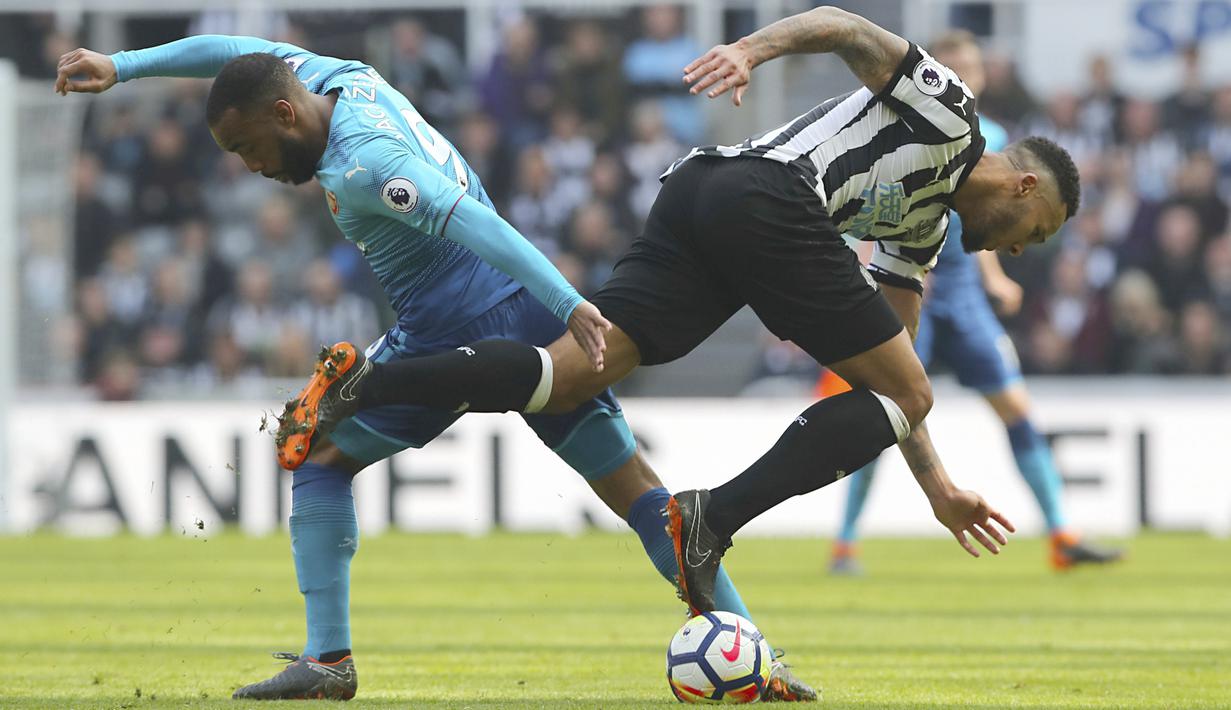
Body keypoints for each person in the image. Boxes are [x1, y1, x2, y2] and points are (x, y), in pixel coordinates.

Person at [54, 35, 818, 702]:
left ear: (283, 115)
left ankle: (327, 660)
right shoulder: (331, 76)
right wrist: (121, 66)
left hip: (454, 327)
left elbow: (475, 222)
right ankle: (756, 656)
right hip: (524, 313)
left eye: (247, 148)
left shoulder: (363, 166)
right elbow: (231, 52)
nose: (250, 167)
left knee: (315, 458)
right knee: (637, 492)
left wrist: (574, 302)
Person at [277, 6, 1079, 617]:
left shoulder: (922, 226)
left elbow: (887, 376)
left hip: (701, 192)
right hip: (769, 197)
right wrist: (748, 51)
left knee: (566, 379)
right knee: (910, 392)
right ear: (1024, 185)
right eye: (1030, 235)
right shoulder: (955, 117)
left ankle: (364, 384)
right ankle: (708, 517)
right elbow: (843, 25)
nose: (1013, 251)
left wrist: (935, 486)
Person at [825, 31, 1123, 575]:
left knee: (1015, 407)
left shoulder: (1002, 144)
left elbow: (986, 218)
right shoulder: (922, 124)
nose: (967, 72)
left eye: (972, 64)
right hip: (911, 279)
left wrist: (992, 277)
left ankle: (1061, 532)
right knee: (885, 407)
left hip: (961, 296)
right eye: (955, 64)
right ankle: (845, 541)